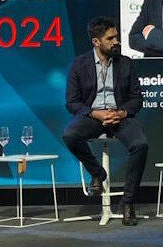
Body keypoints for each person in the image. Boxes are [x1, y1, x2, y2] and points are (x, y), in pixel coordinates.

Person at [62, 17, 149, 226]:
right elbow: (72, 102)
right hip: (93, 116)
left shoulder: (125, 63)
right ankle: (97, 173)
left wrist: (121, 113)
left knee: (140, 145)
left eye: (116, 37)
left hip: (119, 116)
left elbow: (137, 99)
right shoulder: (79, 64)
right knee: (70, 135)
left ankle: (128, 202)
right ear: (96, 42)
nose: (116, 42)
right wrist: (95, 113)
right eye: (110, 38)